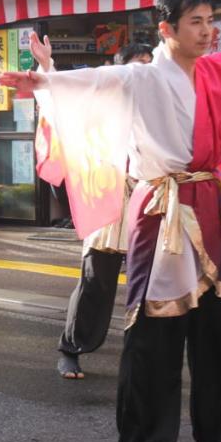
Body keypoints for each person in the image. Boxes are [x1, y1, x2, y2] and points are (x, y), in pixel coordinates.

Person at [0, 0, 221, 442]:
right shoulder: (140, 77)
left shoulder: (215, 72)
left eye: (210, 20)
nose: (207, 31)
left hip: (205, 204)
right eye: (196, 22)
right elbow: (92, 83)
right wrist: (42, 80)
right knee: (155, 330)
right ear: (167, 29)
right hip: (161, 208)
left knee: (213, 328)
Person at [50, 42, 153, 380]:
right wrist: (46, 66)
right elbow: (61, 107)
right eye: (136, 66)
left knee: (155, 287)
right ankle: (71, 348)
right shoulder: (99, 105)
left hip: (150, 205)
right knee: (96, 284)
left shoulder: (159, 107)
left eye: (148, 66)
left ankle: (147, 356)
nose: (142, 73)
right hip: (108, 202)